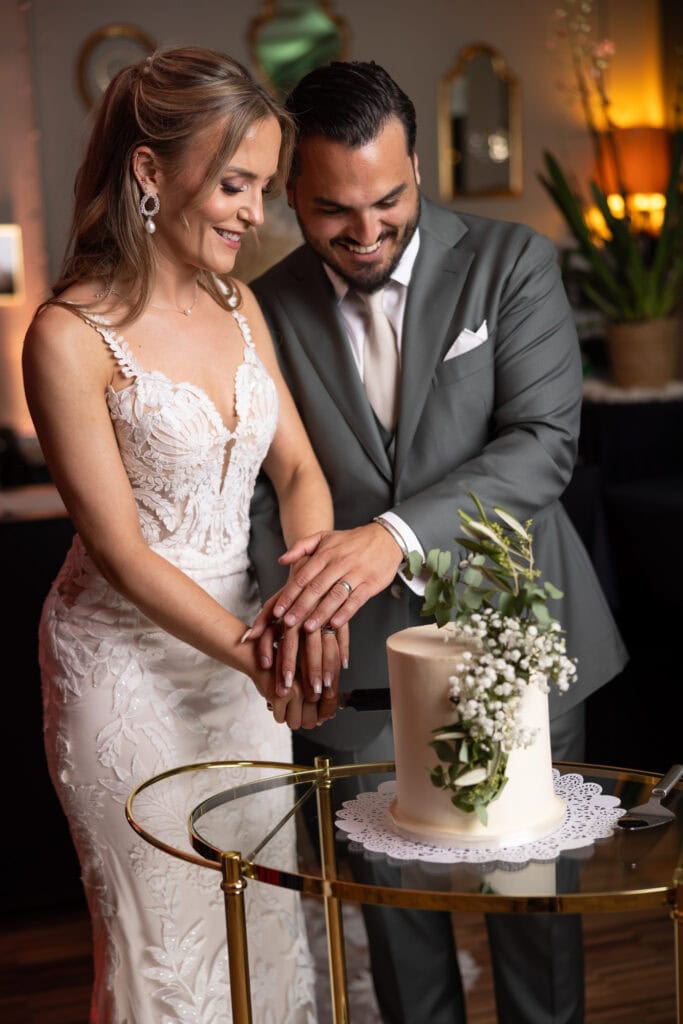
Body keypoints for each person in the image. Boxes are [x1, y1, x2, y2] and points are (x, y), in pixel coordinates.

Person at [247, 61, 629, 1024]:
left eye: (388, 199)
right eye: (334, 210)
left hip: (515, 643)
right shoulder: (260, 307)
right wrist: (292, 619)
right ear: (291, 190)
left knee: (532, 917)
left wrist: (393, 536)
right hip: (355, 666)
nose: (365, 231)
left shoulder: (512, 262)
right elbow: (257, 487)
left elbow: (541, 447)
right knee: (397, 928)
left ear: (416, 166)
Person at [22, 46, 342, 1024]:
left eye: (263, 189)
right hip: (125, 668)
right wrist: (258, 650)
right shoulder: (66, 335)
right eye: (235, 184)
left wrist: (304, 608)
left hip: (246, 660)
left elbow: (300, 473)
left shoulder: (239, 305)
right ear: (149, 171)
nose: (255, 214)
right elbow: (120, 552)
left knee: (264, 924)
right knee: (163, 942)